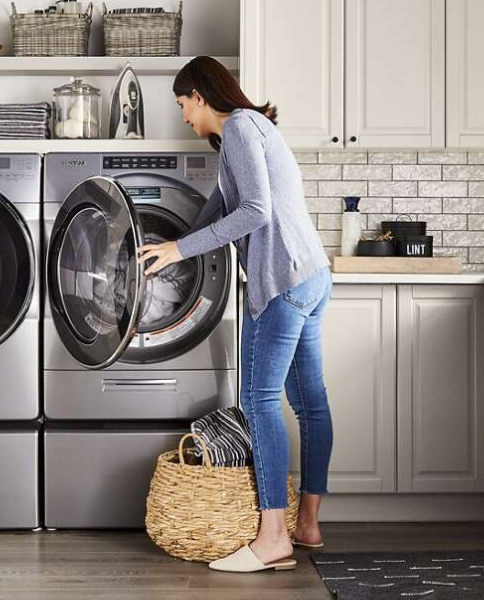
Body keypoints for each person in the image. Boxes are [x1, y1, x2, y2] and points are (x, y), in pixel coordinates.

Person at [137, 56, 334, 574]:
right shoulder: (247, 133)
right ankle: (307, 524)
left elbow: (255, 213)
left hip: (283, 280)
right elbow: (221, 208)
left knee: (260, 400)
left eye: (182, 104)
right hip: (310, 273)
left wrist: (180, 252)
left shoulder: (242, 128)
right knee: (309, 402)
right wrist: (175, 246)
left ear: (201, 95)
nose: (183, 117)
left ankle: (273, 538)